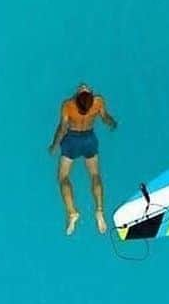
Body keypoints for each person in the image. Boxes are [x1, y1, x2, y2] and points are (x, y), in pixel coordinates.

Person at [48, 84, 118, 235]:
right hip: (89, 140)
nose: (84, 87)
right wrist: (113, 123)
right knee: (94, 175)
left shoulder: (68, 105)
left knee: (63, 177)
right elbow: (105, 118)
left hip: (72, 141)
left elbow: (62, 129)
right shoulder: (98, 102)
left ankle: (72, 212)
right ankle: (99, 210)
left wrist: (54, 145)